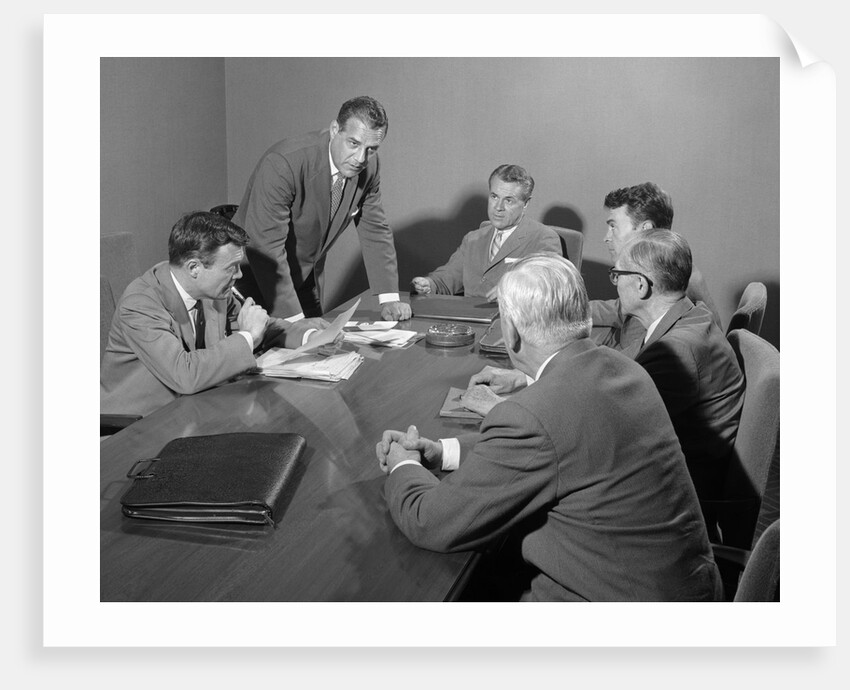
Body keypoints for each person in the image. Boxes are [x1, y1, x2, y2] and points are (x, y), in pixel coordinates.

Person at [376, 254, 722, 601]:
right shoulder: (622, 367)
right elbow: (553, 450)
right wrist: (444, 451)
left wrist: (404, 463)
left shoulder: (535, 418)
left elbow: (430, 522)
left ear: (510, 335)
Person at [101, 211, 332, 418]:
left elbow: (262, 327)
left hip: (193, 410)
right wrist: (248, 336)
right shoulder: (140, 304)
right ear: (194, 268)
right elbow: (185, 375)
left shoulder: (213, 291)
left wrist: (310, 337)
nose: (240, 275)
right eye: (232, 268)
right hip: (136, 427)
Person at [231, 96, 411, 322]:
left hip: (304, 280)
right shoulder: (284, 163)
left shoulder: (369, 166)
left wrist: (389, 298)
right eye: (353, 143)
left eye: (371, 149)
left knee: (322, 349)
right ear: (335, 129)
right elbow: (266, 246)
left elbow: (375, 229)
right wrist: (294, 323)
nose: (360, 158)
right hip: (251, 282)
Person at [608, 229, 744, 503]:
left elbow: (613, 430)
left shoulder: (675, 351)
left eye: (616, 274)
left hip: (671, 495)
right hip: (680, 470)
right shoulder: (691, 313)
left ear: (640, 285)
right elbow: (621, 362)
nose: (614, 282)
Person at [590, 181, 721, 350]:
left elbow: (634, 362)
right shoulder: (665, 268)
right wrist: (568, 312)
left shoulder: (667, 284)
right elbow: (619, 309)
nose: (606, 238)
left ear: (646, 229)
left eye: (613, 226)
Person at [410, 164, 560, 300]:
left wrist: (511, 289)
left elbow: (550, 284)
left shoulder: (543, 238)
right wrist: (429, 284)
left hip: (512, 323)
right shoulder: (473, 239)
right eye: (494, 197)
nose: (498, 207)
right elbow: (447, 278)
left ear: (526, 203)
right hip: (468, 321)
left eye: (508, 200)